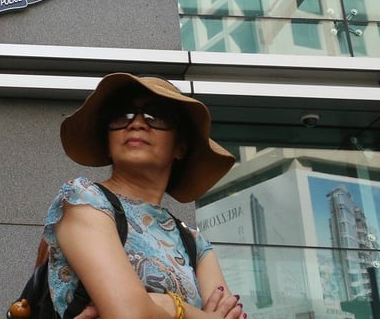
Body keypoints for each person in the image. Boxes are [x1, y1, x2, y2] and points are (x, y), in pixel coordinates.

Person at [46, 73, 243, 319]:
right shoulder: (83, 199)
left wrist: (161, 304)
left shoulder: (194, 243)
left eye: (157, 115)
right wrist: (181, 309)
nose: (136, 123)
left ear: (180, 146)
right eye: (121, 115)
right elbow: (129, 314)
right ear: (108, 143)